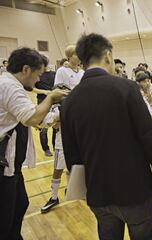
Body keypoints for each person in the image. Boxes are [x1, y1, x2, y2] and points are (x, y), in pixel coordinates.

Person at [60, 33, 152, 240]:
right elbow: (149, 138)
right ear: (108, 56)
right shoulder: (126, 88)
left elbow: (72, 157)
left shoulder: (69, 101)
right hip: (135, 189)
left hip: (98, 194)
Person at [0, 47, 67, 240]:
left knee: (20, 203)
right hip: (4, 166)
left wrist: (56, 116)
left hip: (12, 166)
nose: (38, 80)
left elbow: (32, 114)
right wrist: (52, 97)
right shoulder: (9, 86)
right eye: (37, 75)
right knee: (5, 214)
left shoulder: (10, 84)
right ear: (26, 69)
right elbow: (30, 117)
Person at [40, 46, 84, 213]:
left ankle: (74, 189)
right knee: (58, 166)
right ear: (69, 56)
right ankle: (53, 196)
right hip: (64, 119)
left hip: (79, 122)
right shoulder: (62, 72)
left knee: (76, 164)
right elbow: (58, 94)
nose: (79, 57)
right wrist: (58, 115)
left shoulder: (82, 73)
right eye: (76, 54)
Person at [34, 55, 56, 157]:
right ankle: (46, 149)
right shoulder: (37, 75)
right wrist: (44, 91)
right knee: (43, 128)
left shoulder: (54, 74)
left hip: (55, 102)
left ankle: (55, 146)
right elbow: (30, 88)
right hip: (42, 101)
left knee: (56, 126)